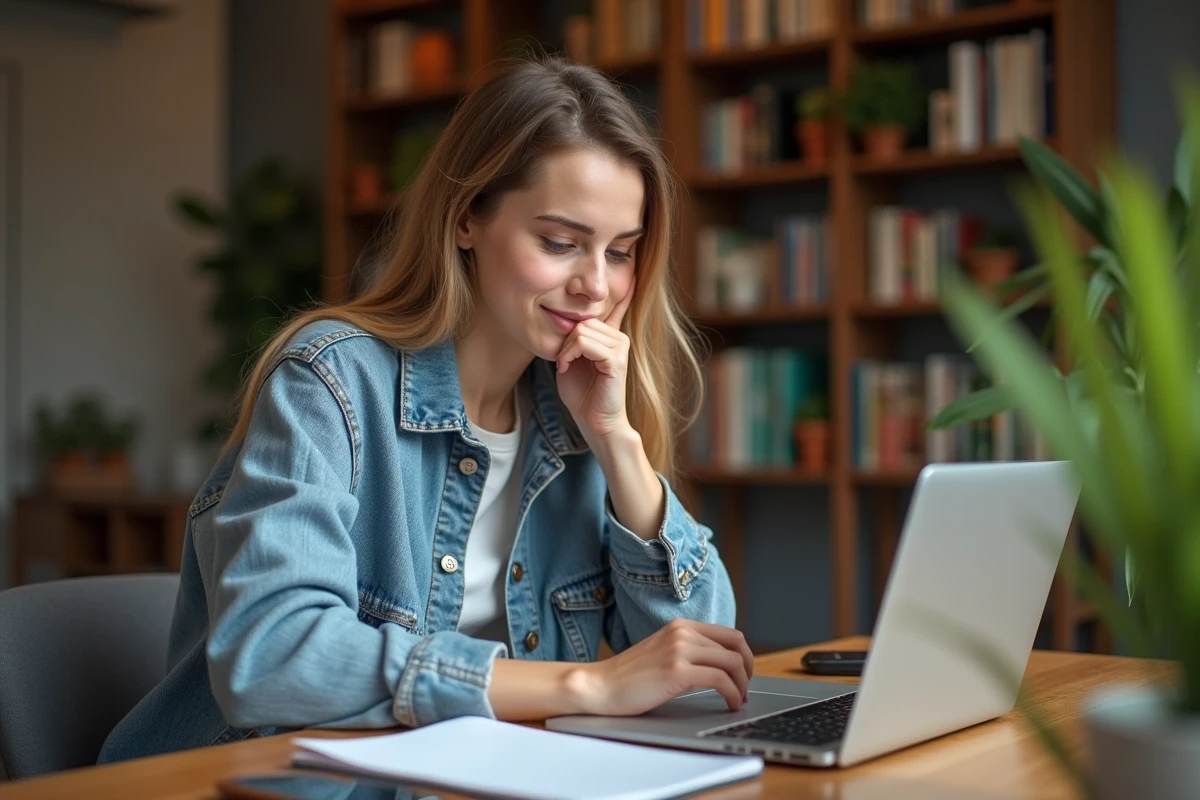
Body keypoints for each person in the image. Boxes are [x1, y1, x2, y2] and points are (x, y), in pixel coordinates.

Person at [99, 56, 750, 763]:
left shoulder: (577, 410)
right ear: (467, 218)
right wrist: (584, 684)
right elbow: (274, 654)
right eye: (560, 243)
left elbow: (700, 663)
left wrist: (618, 442)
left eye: (621, 252)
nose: (596, 284)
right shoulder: (332, 384)